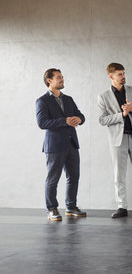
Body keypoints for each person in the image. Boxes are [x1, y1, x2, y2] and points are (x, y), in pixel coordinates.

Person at [97, 63, 132, 218]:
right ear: (111, 76)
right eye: (119, 74)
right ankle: (122, 207)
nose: (123, 76)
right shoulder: (103, 97)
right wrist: (121, 114)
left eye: (123, 73)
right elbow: (102, 120)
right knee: (119, 175)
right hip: (118, 139)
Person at [36, 68, 87, 221]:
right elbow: (42, 123)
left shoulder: (68, 99)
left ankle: (71, 207)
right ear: (49, 81)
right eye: (58, 77)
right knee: (53, 178)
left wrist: (79, 119)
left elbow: (80, 115)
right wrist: (64, 121)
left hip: (71, 144)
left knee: (74, 177)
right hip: (55, 147)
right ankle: (51, 209)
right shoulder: (42, 101)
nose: (62, 79)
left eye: (62, 77)